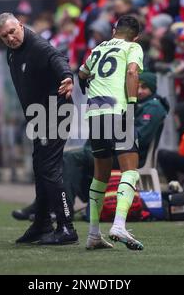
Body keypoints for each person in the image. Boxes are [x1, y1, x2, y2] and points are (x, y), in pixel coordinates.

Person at [12, 71, 170, 221]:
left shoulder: (153, 107)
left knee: (71, 157)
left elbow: (138, 138)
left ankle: (62, 209)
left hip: (127, 156)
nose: (140, 90)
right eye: (138, 85)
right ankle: (43, 206)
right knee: (59, 158)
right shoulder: (128, 102)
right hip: (110, 151)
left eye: (145, 87)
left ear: (153, 89)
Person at [0, 12, 78, 245]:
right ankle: (42, 224)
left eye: (13, 31)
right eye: (5, 36)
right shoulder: (12, 52)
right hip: (40, 117)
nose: (10, 37)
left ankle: (66, 227)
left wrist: (67, 77)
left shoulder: (37, 45)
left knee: (49, 169)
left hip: (56, 111)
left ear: (21, 25)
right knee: (40, 168)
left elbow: (58, 58)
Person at [78, 15, 144, 251]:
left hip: (95, 113)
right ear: (136, 36)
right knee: (130, 171)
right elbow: (132, 72)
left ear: (114, 29)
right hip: (118, 111)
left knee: (100, 176)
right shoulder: (132, 47)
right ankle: (118, 224)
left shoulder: (96, 49)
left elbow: (82, 74)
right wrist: (133, 104)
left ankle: (94, 234)